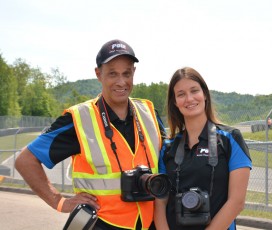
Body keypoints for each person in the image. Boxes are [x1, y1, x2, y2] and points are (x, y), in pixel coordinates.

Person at [15, 39, 167, 230]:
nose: (121, 82)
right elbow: (25, 161)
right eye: (112, 73)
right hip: (102, 224)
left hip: (150, 224)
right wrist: (60, 202)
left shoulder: (149, 113)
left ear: (133, 73)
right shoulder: (79, 119)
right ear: (98, 74)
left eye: (126, 73)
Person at [154, 67, 252, 230]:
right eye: (181, 94)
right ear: (175, 102)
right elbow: (160, 203)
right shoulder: (167, 148)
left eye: (194, 91)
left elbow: (237, 202)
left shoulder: (230, 139)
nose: (189, 99)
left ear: (205, 94)